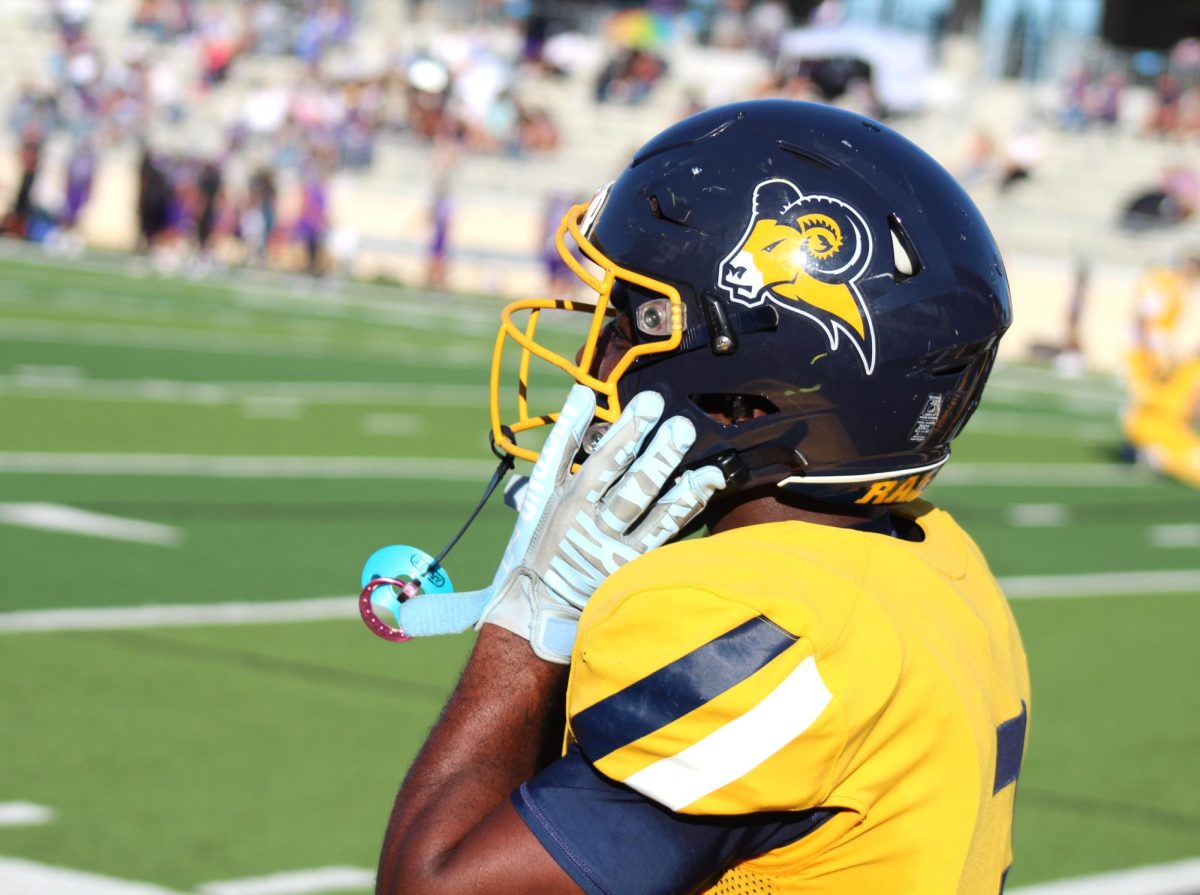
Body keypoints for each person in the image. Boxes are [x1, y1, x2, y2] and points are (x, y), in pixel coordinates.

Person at [371, 100, 1027, 894]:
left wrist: (529, 619)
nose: (597, 350)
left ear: (750, 391)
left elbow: (434, 885)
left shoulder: (752, 622)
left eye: (633, 317)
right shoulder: (938, 560)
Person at [1122, 252, 1200, 487]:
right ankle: (1141, 446)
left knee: (1158, 400)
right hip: (1145, 352)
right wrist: (1154, 354)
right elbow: (1147, 319)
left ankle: (1143, 445)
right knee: (1149, 399)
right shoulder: (1164, 282)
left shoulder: (1171, 286)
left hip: (1152, 351)